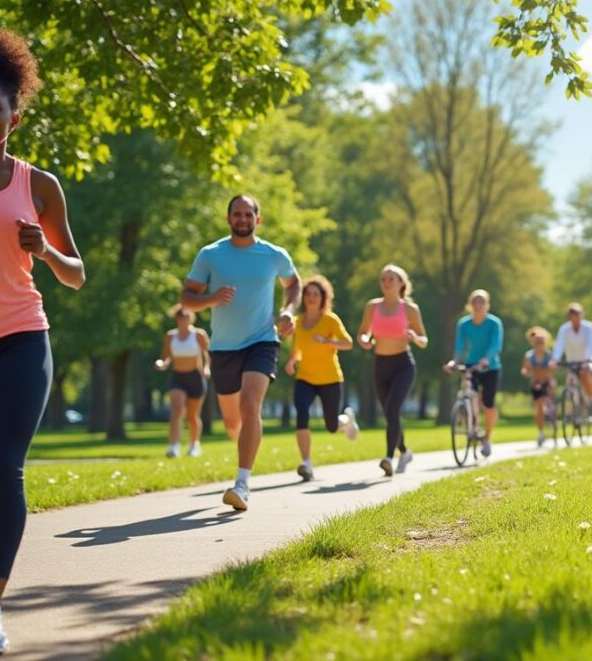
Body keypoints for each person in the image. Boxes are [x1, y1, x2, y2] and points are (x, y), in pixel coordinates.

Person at [0, 27, 86, 654]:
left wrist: (46, 250)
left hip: (19, 339)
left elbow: (76, 271)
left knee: (5, 466)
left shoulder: (38, 186)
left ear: (14, 115)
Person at [181, 194, 300, 511]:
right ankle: (243, 448)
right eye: (237, 214)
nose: (243, 219)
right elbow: (187, 298)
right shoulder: (211, 255)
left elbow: (293, 284)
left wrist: (288, 311)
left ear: (258, 219)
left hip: (263, 340)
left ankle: (242, 483)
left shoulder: (273, 255)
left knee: (251, 407)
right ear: (228, 218)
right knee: (234, 423)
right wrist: (211, 298)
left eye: (249, 214)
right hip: (223, 347)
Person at [284, 275, 359, 482]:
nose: (311, 297)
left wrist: (326, 341)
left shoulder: (330, 320)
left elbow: (348, 343)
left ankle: (345, 421)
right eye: (308, 294)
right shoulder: (297, 322)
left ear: (323, 297)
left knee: (331, 427)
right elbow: (297, 349)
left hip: (330, 378)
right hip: (305, 378)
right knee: (301, 413)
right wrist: (291, 361)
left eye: (316, 294)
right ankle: (306, 463)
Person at [356, 264, 428, 476]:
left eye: (391, 279)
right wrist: (365, 340)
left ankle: (388, 457)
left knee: (392, 410)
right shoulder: (372, 306)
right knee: (390, 414)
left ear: (401, 284)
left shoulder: (410, 309)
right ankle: (404, 451)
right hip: (380, 364)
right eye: (383, 279)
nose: (386, 283)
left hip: (403, 365)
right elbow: (362, 333)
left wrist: (415, 337)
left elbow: (424, 340)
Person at [444, 289, 503, 457]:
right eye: (475, 302)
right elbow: (460, 346)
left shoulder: (494, 323)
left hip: (490, 366)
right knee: (471, 395)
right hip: (471, 364)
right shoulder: (463, 324)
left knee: (489, 403)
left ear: (487, 305)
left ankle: (487, 437)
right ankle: (472, 421)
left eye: (481, 302)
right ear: (470, 305)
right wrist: (454, 362)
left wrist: (486, 359)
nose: (478, 305)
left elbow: (495, 345)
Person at [153, 306, 210, 458]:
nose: (183, 320)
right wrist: (161, 363)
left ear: (190, 318)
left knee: (192, 416)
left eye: (186, 317)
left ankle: (194, 445)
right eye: (180, 317)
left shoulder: (198, 335)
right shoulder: (171, 336)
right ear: (177, 319)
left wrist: (207, 368)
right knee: (177, 411)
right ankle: (174, 446)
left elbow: (207, 354)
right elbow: (165, 356)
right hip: (178, 377)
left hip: (195, 377)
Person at [551, 302, 592, 408]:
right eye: (573, 315)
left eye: (577, 315)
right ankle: (575, 410)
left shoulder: (589, 327)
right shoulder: (564, 329)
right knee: (570, 384)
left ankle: (591, 398)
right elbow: (559, 345)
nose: (575, 318)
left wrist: (591, 359)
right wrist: (555, 359)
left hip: (587, 360)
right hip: (571, 361)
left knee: (584, 374)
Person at [521, 326, 554, 447]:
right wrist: (526, 371)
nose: (540, 344)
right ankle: (540, 432)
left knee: (548, 400)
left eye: (542, 342)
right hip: (536, 383)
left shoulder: (548, 355)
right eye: (537, 342)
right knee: (539, 406)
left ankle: (551, 417)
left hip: (547, 382)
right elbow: (527, 369)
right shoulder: (529, 356)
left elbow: (551, 370)